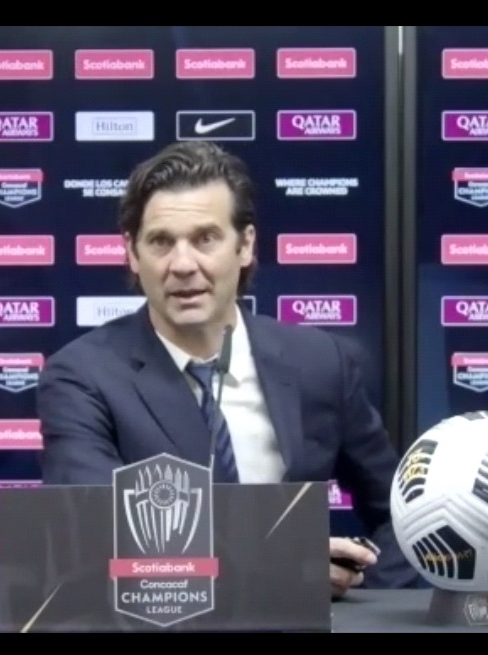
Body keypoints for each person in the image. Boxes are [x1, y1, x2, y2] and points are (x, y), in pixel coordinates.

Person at [36, 141, 418, 596]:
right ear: (133, 253)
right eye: (161, 242)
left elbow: (405, 516)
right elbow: (94, 533)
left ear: (245, 245)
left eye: (205, 239)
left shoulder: (321, 362)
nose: (182, 265)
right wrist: (280, 572)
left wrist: (363, 596)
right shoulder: (81, 376)